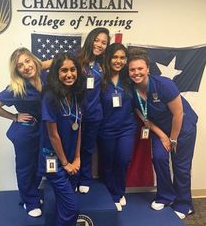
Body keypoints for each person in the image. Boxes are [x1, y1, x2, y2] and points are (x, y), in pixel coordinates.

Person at [127, 47, 198, 219]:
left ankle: (184, 203)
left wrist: (172, 139)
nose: (136, 73)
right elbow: (144, 118)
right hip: (160, 129)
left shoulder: (164, 84)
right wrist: (163, 136)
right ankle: (166, 196)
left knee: (180, 166)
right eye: (132, 69)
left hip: (182, 127)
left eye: (140, 68)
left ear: (148, 69)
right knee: (159, 157)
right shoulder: (132, 91)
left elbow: (178, 114)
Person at [0, 47, 45, 217]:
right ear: (16, 70)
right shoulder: (16, 87)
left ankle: (31, 196)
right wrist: (14, 116)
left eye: (27, 61)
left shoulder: (44, 77)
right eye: (20, 65)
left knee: (39, 166)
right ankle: (30, 201)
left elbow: (53, 62)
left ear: (34, 60)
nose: (26, 66)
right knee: (25, 168)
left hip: (43, 130)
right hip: (25, 132)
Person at [38, 52, 84, 226]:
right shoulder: (50, 97)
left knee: (65, 206)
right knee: (72, 207)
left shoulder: (76, 95)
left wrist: (78, 157)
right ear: (56, 73)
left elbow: (79, 127)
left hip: (72, 157)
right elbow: (53, 135)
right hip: (54, 159)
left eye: (73, 69)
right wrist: (66, 164)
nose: (69, 74)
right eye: (64, 70)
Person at [98, 43, 137, 211]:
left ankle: (120, 192)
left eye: (122, 58)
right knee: (107, 163)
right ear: (108, 58)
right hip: (105, 129)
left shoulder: (129, 78)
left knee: (123, 160)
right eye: (115, 57)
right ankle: (112, 194)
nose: (118, 61)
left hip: (126, 128)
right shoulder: (100, 78)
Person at [77, 27, 111, 193]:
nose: (99, 44)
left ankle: (85, 178)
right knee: (71, 148)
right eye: (97, 40)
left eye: (104, 42)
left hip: (94, 115)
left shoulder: (104, 65)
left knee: (88, 148)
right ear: (90, 39)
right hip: (73, 115)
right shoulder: (75, 59)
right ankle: (72, 177)